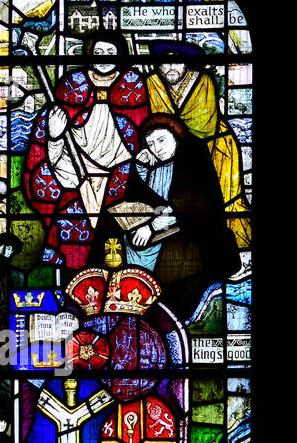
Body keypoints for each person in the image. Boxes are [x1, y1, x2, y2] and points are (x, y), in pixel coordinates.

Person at [23, 31, 149, 269]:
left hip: (120, 178)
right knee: (73, 245)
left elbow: (138, 131)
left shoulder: (132, 85)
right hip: (73, 174)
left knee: (116, 242)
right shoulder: (72, 84)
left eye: (110, 53)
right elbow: (53, 132)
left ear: (120, 55)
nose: (103, 58)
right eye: (98, 52)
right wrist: (55, 135)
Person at [103, 114, 240, 320]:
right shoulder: (150, 168)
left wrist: (152, 227)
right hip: (149, 238)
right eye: (150, 144)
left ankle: (158, 309)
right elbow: (139, 201)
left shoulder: (192, 163)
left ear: (176, 136)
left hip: (189, 240)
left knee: (171, 286)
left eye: (161, 140)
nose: (156, 148)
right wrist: (140, 169)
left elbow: (192, 205)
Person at [146, 39, 251, 250]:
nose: (171, 68)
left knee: (224, 200)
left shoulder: (203, 81)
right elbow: (154, 119)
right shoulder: (152, 82)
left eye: (177, 62)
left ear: (187, 64)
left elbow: (203, 125)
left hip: (216, 150)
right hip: (168, 152)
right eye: (165, 63)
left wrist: (169, 135)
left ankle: (234, 249)